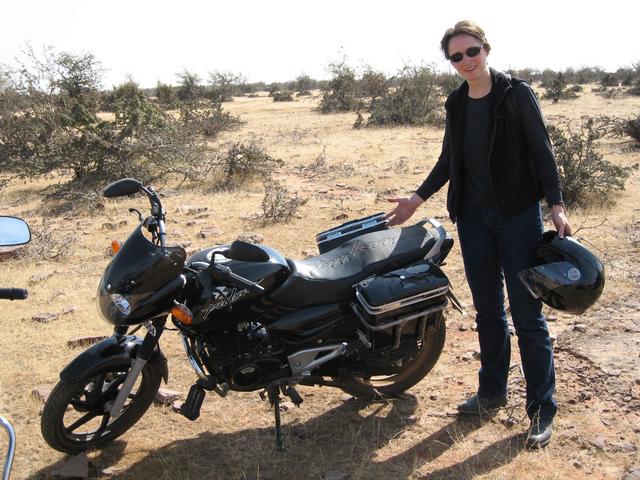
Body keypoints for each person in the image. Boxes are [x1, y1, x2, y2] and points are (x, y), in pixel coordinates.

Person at [386, 20, 571, 449]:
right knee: (488, 311)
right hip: (472, 219)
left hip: (517, 218)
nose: (466, 61)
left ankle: (542, 407)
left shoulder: (515, 94)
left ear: (486, 49)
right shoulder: (456, 103)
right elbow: (450, 159)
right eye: (456, 56)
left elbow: (542, 151)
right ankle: (491, 393)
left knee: (528, 316)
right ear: (450, 62)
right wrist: (416, 198)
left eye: (472, 52)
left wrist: (556, 204)